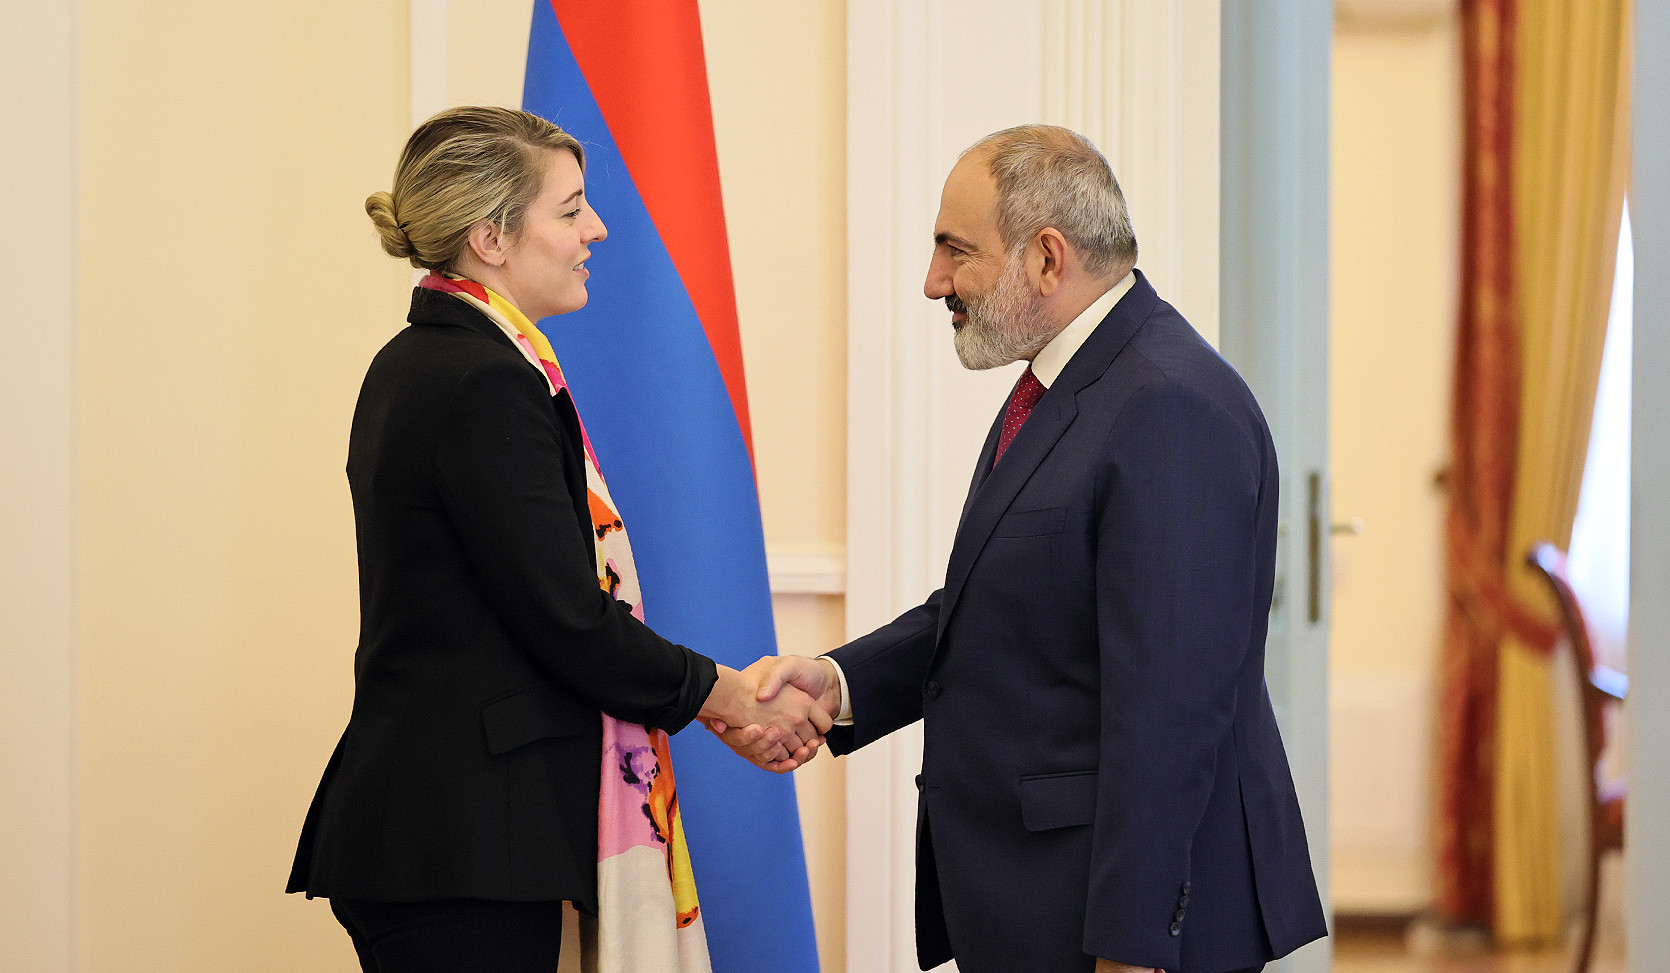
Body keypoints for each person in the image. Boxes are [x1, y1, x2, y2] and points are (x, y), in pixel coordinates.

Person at [714, 125, 1328, 973]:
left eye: (954, 251)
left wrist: (1133, 947)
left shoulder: (1170, 406)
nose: (934, 283)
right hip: (1038, 906)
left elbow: (1172, 710)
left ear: (1047, 259)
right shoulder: (1067, 385)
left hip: (1116, 929)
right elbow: (997, 609)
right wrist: (841, 681)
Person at [286, 106, 827, 973]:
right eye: (571, 208)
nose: (598, 228)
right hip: (459, 846)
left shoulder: (427, 358)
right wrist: (728, 697)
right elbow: (569, 620)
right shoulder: (484, 382)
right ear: (490, 238)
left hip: (449, 837)